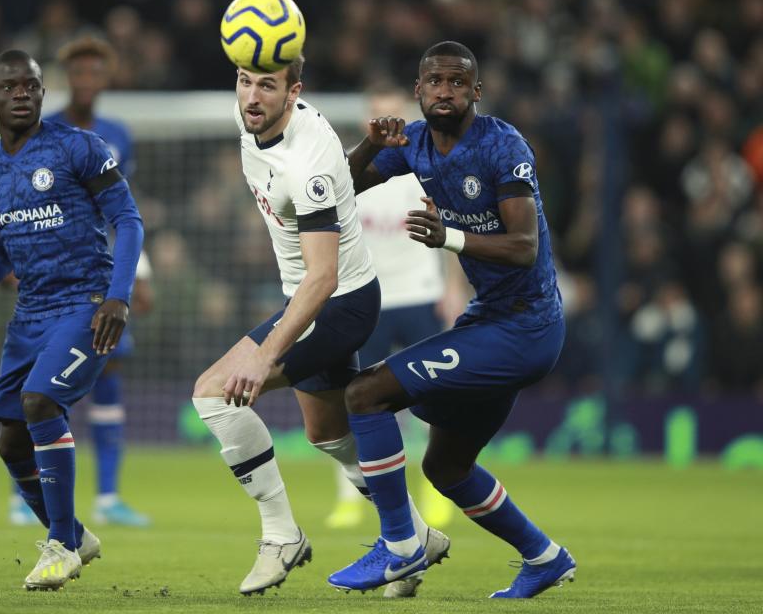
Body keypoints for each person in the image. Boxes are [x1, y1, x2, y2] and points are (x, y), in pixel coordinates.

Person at [327, 41, 576, 598]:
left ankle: (399, 546)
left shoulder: (502, 145)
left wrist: (450, 238)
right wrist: (370, 144)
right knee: (447, 466)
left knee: (365, 394)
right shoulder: (414, 142)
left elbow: (522, 246)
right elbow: (340, 187)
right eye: (434, 82)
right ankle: (544, 556)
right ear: (418, 91)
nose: (445, 91)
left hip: (525, 327)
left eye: (457, 83)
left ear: (476, 92)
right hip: (490, 321)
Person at [191, 56, 447, 597]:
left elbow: (323, 277)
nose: (252, 97)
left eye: (267, 85)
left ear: (294, 92)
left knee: (214, 394)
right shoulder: (259, 122)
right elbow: (345, 183)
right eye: (245, 83)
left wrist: (265, 356)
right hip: (318, 296)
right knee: (328, 435)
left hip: (336, 304)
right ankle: (413, 536)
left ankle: (282, 536)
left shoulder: (303, 160)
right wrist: (369, 148)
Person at [0, 50, 144, 591]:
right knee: (12, 445)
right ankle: (77, 534)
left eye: (31, 85)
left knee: (41, 402)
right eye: (9, 86)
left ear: (44, 92)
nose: (21, 93)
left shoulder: (79, 148)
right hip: (30, 315)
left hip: (86, 305)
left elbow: (128, 221)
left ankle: (63, 546)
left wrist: (118, 296)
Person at [8, 36, 151, 528]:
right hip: (48, 276)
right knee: (37, 383)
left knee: (108, 378)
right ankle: (23, 492)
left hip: (101, 275)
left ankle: (108, 497)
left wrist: (138, 276)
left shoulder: (119, 134)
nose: (87, 80)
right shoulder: (43, 131)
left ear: (105, 78)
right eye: (79, 73)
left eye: (96, 72)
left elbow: (122, 212)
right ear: (67, 79)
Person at [325, 86, 461, 534]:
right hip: (370, 298)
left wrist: (454, 288)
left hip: (421, 294)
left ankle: (436, 494)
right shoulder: (353, 168)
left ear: (404, 115)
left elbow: (452, 226)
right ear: (368, 118)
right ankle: (350, 496)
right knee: (353, 401)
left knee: (432, 399)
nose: (385, 124)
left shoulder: (422, 164)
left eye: (392, 115)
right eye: (377, 116)